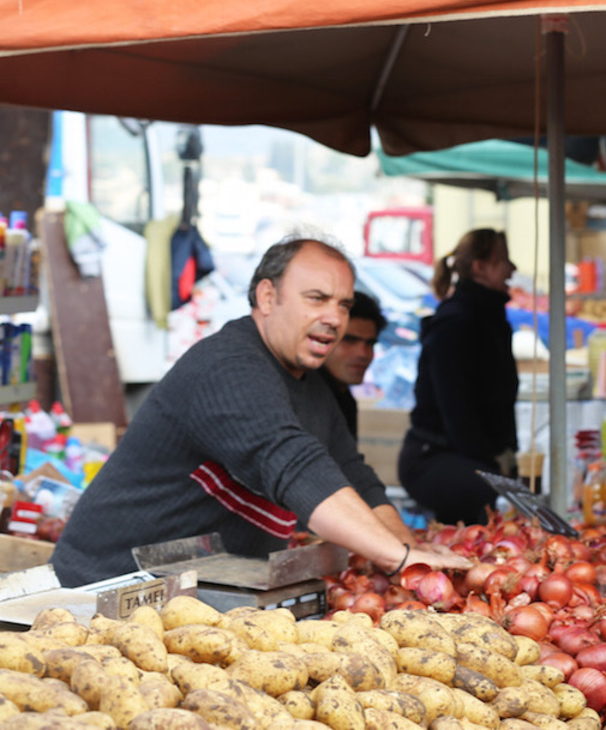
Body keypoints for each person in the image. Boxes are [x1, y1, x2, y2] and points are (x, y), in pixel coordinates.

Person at [51, 236, 468, 587]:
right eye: (317, 299)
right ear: (268, 297)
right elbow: (293, 465)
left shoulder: (312, 385)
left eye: (343, 304)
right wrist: (398, 556)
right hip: (106, 587)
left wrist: (409, 554)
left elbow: (355, 476)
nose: (334, 318)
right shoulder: (228, 368)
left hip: (194, 590)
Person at [399, 228, 518, 525]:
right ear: (479, 267)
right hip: (433, 457)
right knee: (499, 504)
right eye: (503, 260)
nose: (512, 268)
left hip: (471, 456)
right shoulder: (456, 323)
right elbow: (457, 410)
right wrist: (493, 468)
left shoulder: (487, 317)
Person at [319, 290, 387, 438]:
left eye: (370, 343)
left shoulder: (343, 398)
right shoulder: (305, 400)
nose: (362, 353)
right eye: (349, 340)